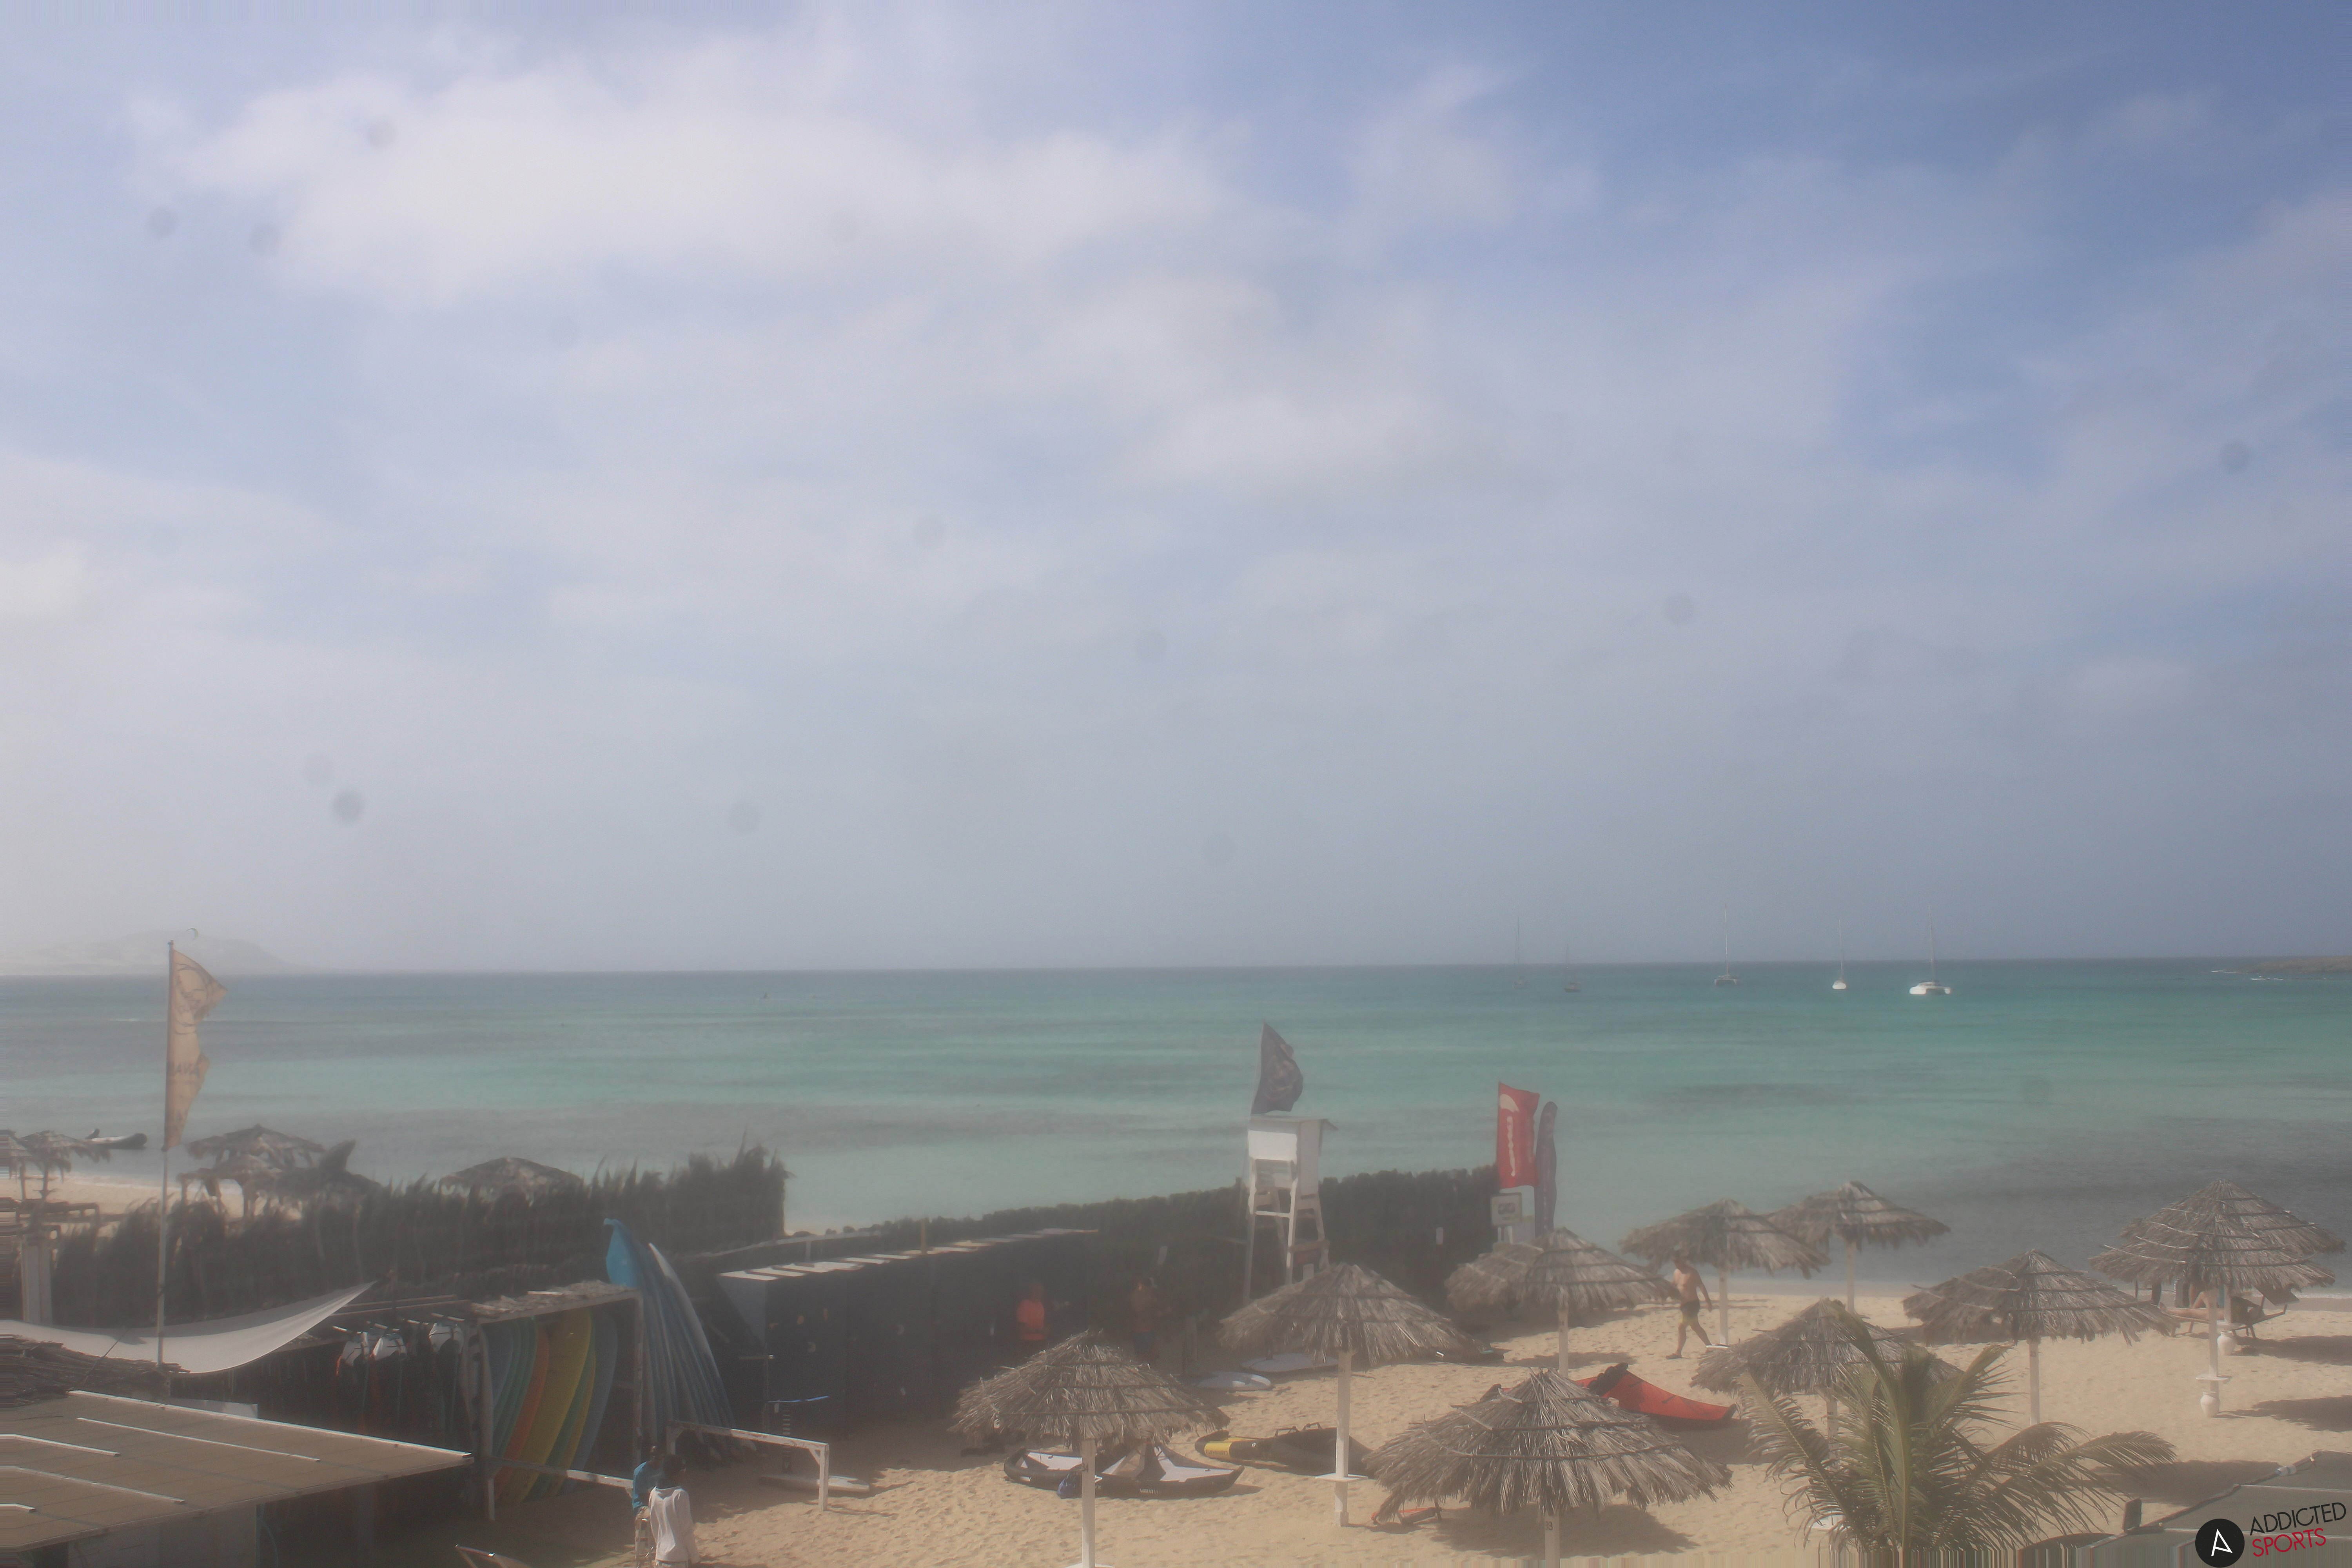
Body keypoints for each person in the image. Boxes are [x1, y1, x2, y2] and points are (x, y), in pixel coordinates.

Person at [646, 1454, 696, 1567]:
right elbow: (687, 1530)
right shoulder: (680, 1495)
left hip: (661, 1557)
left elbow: (655, 1526)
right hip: (678, 1559)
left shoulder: (654, 1493)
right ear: (679, 1473)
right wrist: (695, 1558)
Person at [1668, 1255, 1712, 1358]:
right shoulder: (1677, 1272)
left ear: (1683, 1261)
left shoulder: (1692, 1273)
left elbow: (1701, 1286)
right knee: (1696, 1327)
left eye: (1678, 1262)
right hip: (1684, 1306)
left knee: (1681, 1327)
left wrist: (1708, 1302)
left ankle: (1678, 1352)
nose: (1677, 1265)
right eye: (1675, 1263)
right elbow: (1674, 1285)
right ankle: (1710, 1347)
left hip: (1692, 1305)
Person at [630, 1444, 664, 1567]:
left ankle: (664, 1549)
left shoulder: (663, 1468)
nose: (655, 1458)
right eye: (653, 1455)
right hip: (642, 1506)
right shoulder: (641, 1472)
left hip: (658, 1502)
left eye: (658, 1455)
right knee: (657, 1516)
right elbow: (644, 1497)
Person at [1129, 1276, 1163, 1363]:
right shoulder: (1136, 1297)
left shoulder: (1148, 1296)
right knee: (1143, 1356)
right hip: (1141, 1331)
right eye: (1148, 1287)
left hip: (1150, 1329)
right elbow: (1139, 1313)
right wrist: (1154, 1312)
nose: (1150, 1290)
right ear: (1142, 1285)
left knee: (1154, 1353)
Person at [1015, 1280, 1048, 1356]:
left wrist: (1046, 1331)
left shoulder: (1041, 1305)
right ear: (1031, 1292)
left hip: (1041, 1343)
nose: (1039, 1293)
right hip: (1029, 1344)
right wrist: (1039, 1331)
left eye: (1041, 1291)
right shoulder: (1024, 1305)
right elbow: (1022, 1329)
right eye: (1037, 1290)